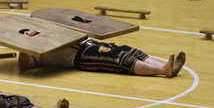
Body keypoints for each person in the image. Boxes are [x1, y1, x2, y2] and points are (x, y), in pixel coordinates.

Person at [17, 34, 186, 77]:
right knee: (120, 60)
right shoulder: (36, 52)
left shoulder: (48, 33)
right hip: (81, 56)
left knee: (130, 50)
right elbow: (25, 65)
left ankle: (163, 66)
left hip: (90, 43)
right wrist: (23, 45)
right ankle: (163, 71)